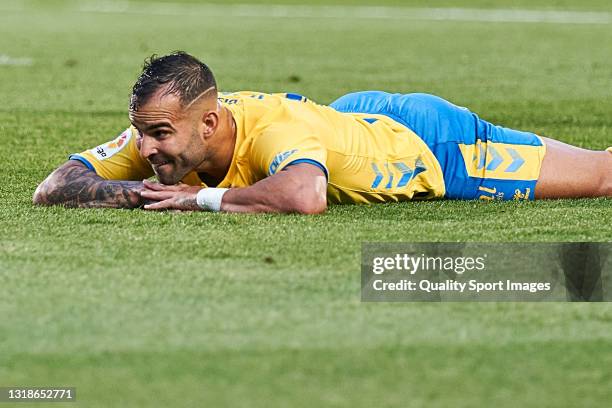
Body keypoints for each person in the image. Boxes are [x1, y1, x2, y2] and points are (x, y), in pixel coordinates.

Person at [33, 52, 612, 214]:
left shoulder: (270, 132)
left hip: (431, 146)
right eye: (142, 135)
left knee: (603, 177)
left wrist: (200, 197)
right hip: (346, 118)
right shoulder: (164, 136)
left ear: (209, 122)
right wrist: (139, 192)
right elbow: (54, 185)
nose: (146, 148)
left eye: (159, 133)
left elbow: (305, 196)